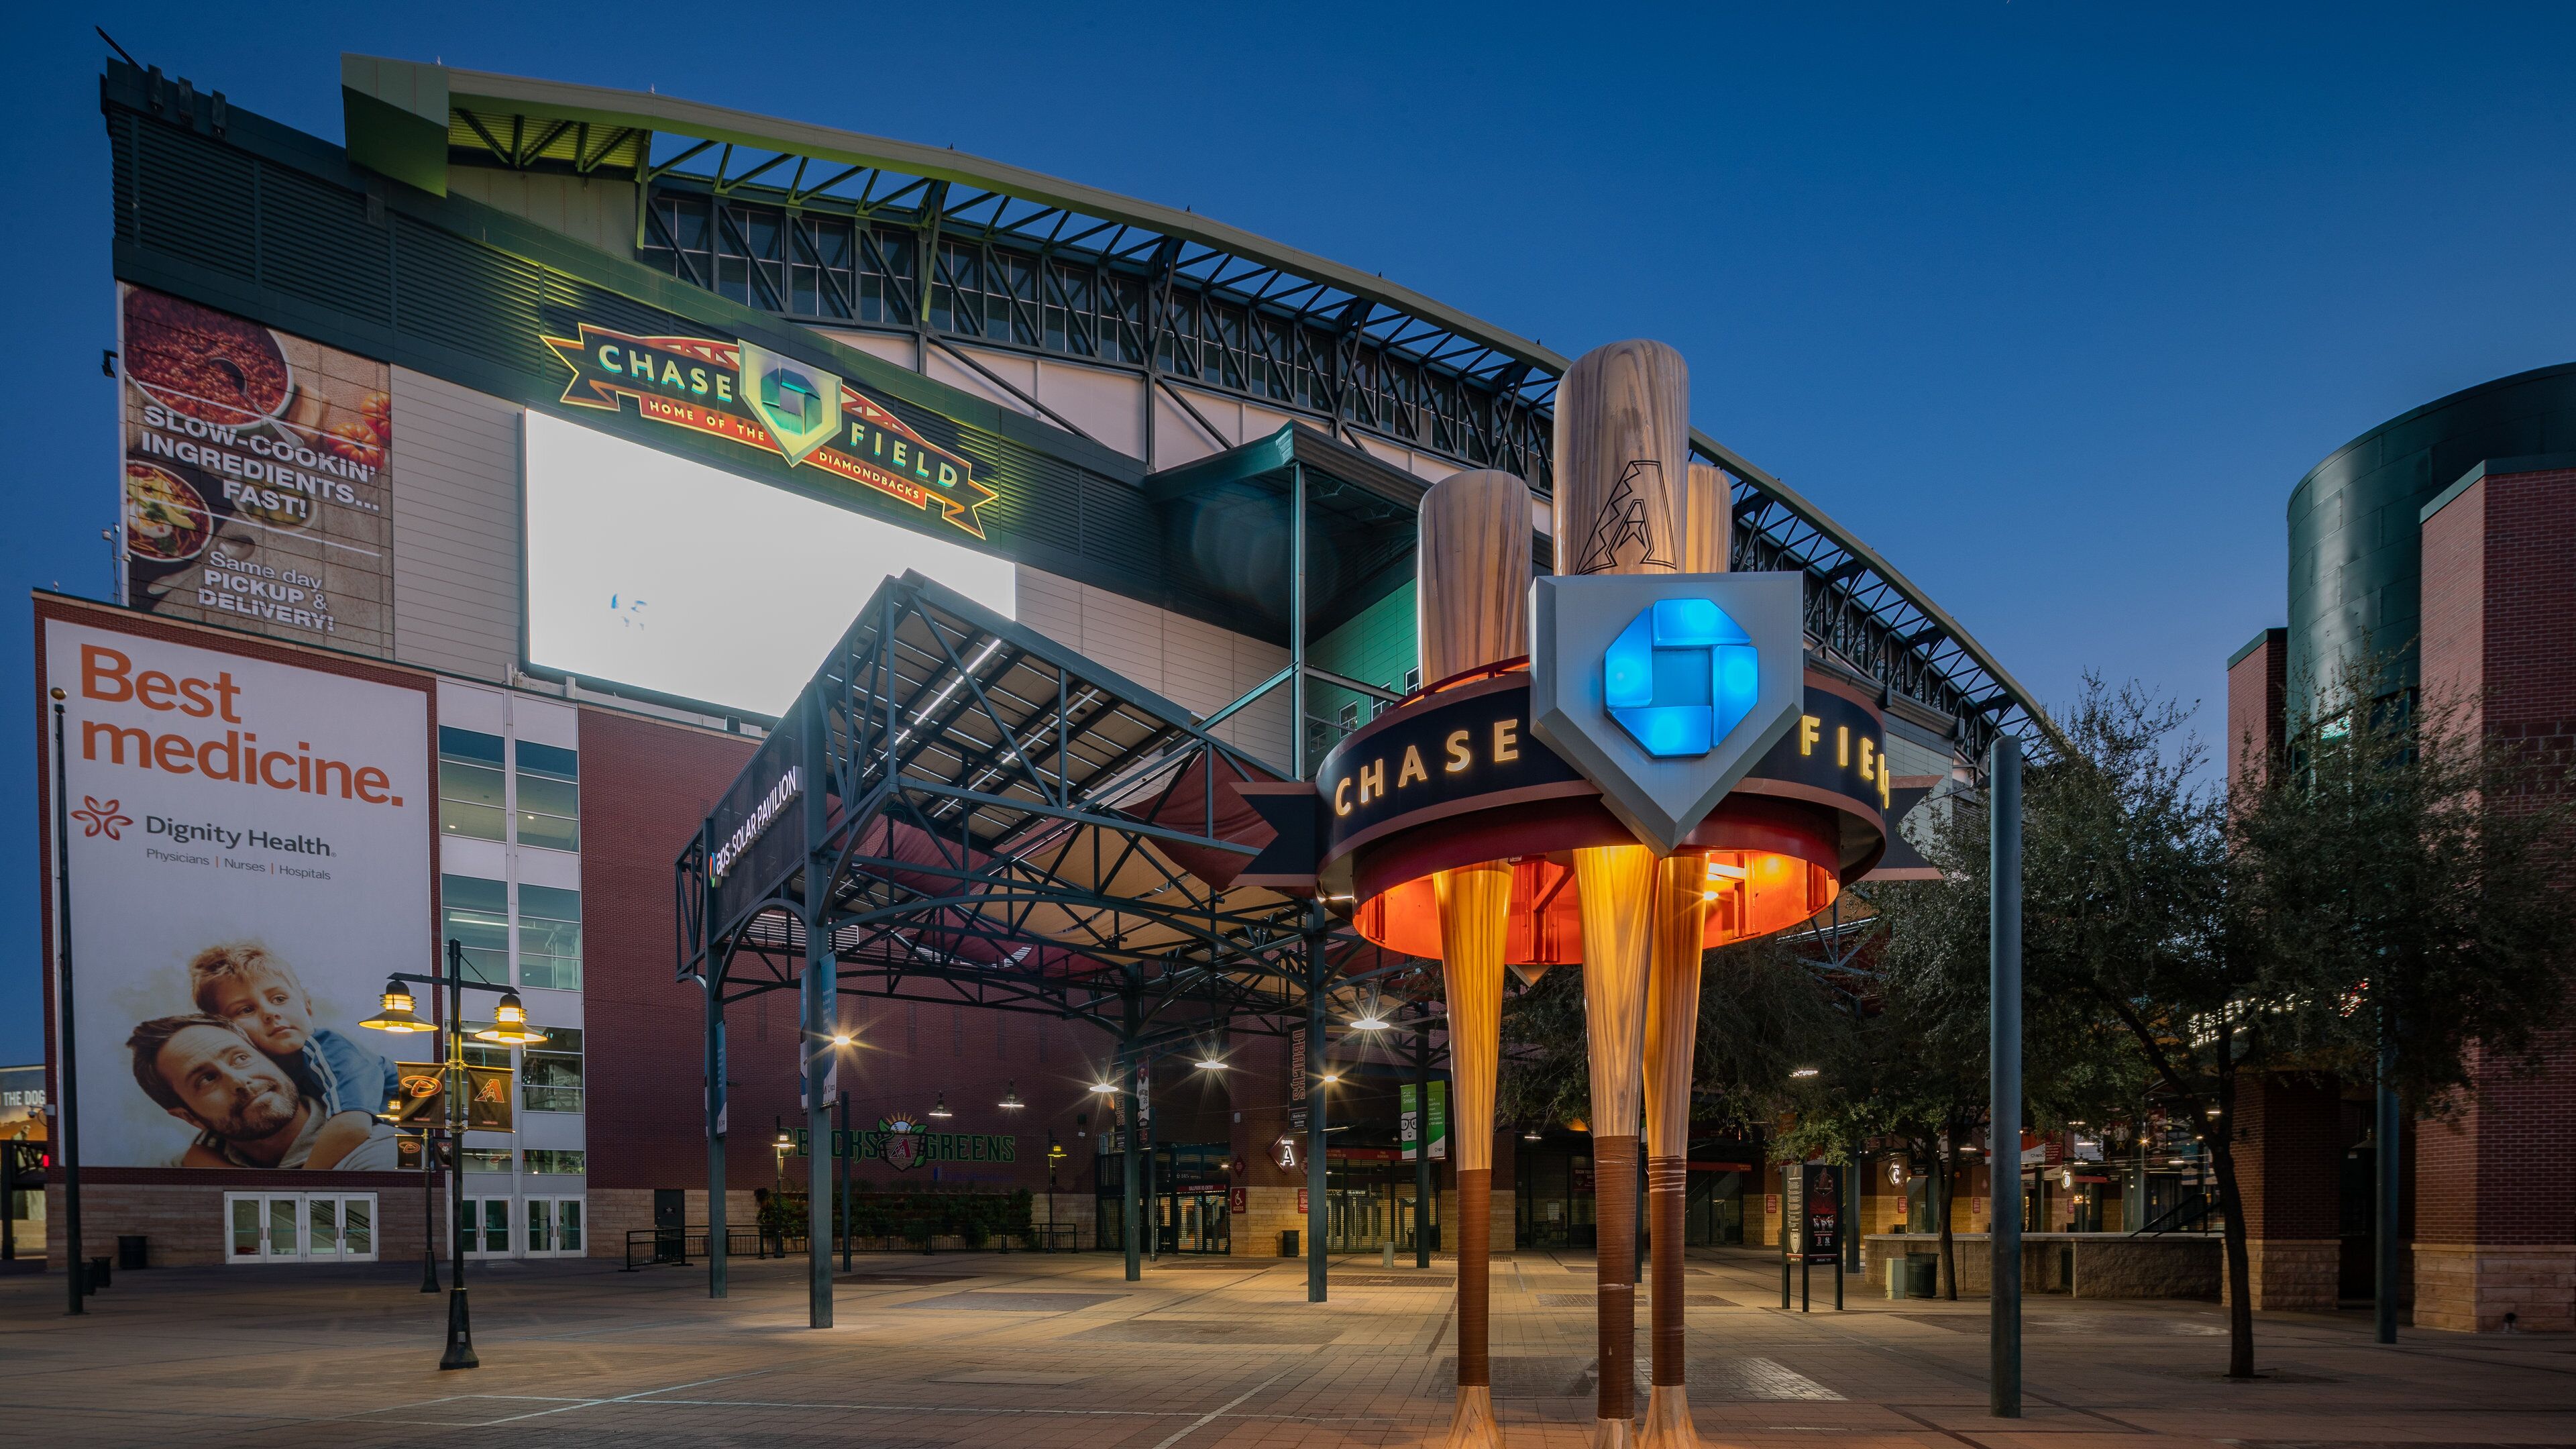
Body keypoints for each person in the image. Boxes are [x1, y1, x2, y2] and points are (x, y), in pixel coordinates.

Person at [125, 1015, 401, 1170]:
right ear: (188, 1117)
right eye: (207, 1079)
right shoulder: (174, 1169)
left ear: (272, 1059)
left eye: (241, 1058)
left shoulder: (380, 1153)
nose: (240, 1081)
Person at [186, 943, 399, 1119]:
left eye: (279, 999)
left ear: (307, 1004)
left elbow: (352, 1125)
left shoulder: (328, 1047)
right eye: (246, 1010)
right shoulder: (249, 1078)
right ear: (225, 1029)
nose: (270, 1013)